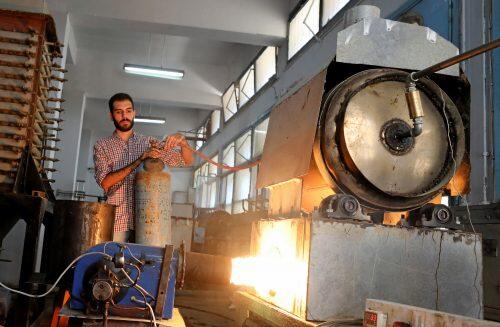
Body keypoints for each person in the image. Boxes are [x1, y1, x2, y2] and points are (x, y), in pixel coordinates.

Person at [93, 93, 193, 242]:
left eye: (128, 111)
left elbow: (186, 161)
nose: (124, 116)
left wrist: (183, 141)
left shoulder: (149, 142)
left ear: (134, 113)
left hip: (149, 224)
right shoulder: (102, 146)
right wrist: (139, 160)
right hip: (118, 224)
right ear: (111, 115)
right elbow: (105, 182)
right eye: (119, 112)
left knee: (144, 264)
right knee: (115, 264)